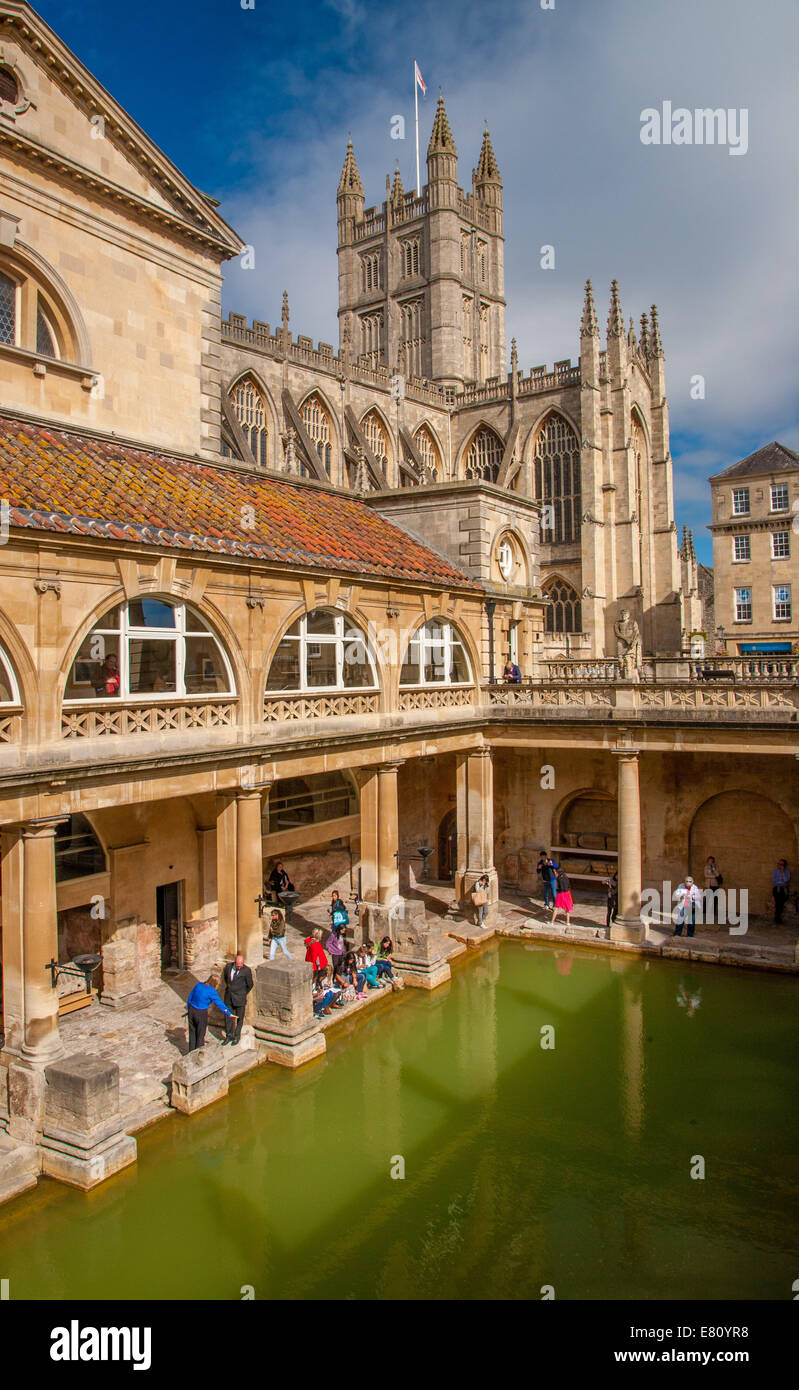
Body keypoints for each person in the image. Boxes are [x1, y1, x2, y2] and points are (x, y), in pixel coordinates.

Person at [186, 973, 233, 1051]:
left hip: (192, 1010)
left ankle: (191, 1051)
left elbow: (190, 997)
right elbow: (219, 1003)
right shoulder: (211, 991)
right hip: (201, 1013)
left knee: (192, 1032)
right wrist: (228, 1013)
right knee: (200, 1034)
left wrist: (189, 1009)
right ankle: (198, 1053)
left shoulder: (198, 985)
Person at [221, 953, 253, 1046]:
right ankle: (229, 1035)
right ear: (235, 962)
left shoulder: (246, 971)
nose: (239, 967)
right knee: (228, 1017)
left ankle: (236, 1036)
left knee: (239, 1018)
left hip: (240, 998)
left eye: (241, 965)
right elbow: (225, 978)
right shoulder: (228, 967)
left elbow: (250, 985)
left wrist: (242, 993)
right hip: (229, 997)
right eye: (238, 965)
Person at [703, 856, 722, 922]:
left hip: (715, 885)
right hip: (709, 885)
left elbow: (718, 875)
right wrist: (713, 876)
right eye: (709, 860)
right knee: (707, 898)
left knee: (715, 898)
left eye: (711, 861)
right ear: (708, 861)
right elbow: (706, 875)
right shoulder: (706, 867)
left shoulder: (716, 867)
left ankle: (713, 911)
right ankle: (705, 910)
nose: (710, 862)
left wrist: (713, 869)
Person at [772, 859, 791, 924]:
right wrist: (780, 882)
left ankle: (777, 916)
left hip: (784, 889)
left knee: (781, 902)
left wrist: (783, 872)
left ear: (784, 865)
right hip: (777, 888)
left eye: (781, 864)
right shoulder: (775, 871)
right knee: (778, 902)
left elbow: (786, 880)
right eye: (778, 864)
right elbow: (774, 881)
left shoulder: (787, 872)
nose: (779, 865)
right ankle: (777, 917)